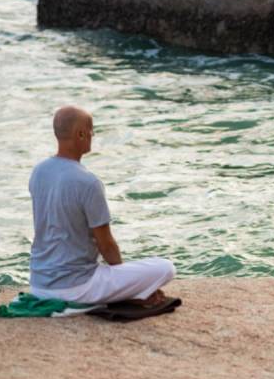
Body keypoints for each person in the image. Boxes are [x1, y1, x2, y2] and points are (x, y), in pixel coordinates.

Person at [28, 105, 176, 306]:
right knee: (165, 268)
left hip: (39, 285)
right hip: (77, 288)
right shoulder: (88, 182)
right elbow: (106, 245)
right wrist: (131, 286)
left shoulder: (39, 171)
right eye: (91, 129)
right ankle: (131, 296)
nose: (93, 134)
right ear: (81, 134)